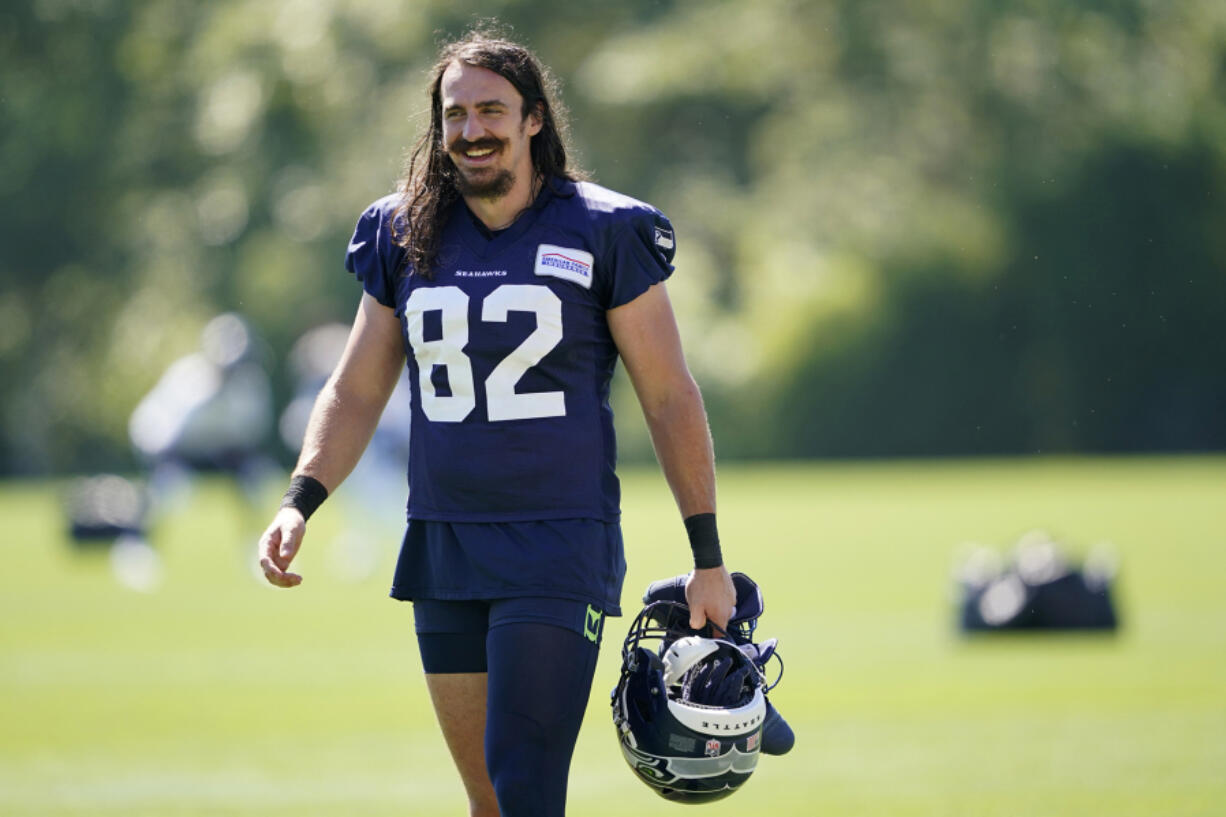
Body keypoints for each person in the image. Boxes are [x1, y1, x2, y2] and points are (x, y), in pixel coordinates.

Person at [258, 27, 738, 817]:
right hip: (445, 541)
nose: (472, 130)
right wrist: (299, 500)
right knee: (489, 798)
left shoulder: (605, 229)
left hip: (557, 540)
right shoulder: (401, 231)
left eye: (491, 110)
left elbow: (669, 396)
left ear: (534, 120)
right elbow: (354, 389)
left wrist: (708, 556)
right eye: (455, 114)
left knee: (524, 781)